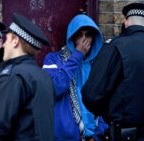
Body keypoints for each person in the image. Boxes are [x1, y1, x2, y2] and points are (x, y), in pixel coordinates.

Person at [81, 3, 144, 141]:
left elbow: (91, 96)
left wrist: (112, 112)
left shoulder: (114, 48)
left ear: (126, 22)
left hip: (124, 135)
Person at [0, 12, 54, 141]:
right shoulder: (42, 75)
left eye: (7, 39)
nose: (4, 45)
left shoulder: (13, 76)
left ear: (15, 41)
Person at [42, 13, 108, 141]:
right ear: (72, 38)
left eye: (88, 35)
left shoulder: (99, 63)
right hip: (66, 136)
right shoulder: (53, 59)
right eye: (79, 35)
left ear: (94, 38)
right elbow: (54, 88)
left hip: (95, 135)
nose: (84, 40)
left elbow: (107, 99)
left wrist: (99, 134)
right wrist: (77, 56)